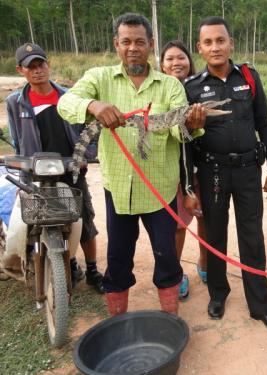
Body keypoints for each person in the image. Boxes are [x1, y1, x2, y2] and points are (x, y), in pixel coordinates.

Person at [57, 13, 205, 316]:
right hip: (119, 190)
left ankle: (170, 317)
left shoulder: (169, 86)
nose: (133, 47)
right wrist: (92, 105)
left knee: (166, 257)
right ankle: (117, 319)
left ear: (151, 45)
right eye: (126, 41)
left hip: (160, 190)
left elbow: (179, 130)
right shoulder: (99, 78)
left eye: (140, 41)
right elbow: (65, 103)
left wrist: (192, 122)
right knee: (119, 257)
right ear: (117, 44)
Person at [184, 16, 267, 333]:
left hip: (247, 170)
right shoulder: (191, 88)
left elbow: (264, 123)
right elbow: (185, 142)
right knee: (214, 234)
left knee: (252, 237)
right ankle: (218, 294)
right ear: (200, 48)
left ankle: (261, 306)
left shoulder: (249, 78)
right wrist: (189, 185)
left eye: (221, 40)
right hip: (212, 172)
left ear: (231, 43)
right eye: (208, 42)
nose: (215, 47)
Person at [6, 42, 104, 294]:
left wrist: (87, 155)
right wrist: (22, 170)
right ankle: (68, 263)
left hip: (70, 168)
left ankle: (92, 270)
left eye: (41, 64)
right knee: (45, 219)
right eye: (31, 67)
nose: (38, 70)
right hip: (38, 172)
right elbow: (17, 141)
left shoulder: (69, 96)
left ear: (48, 65)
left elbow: (89, 130)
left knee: (84, 220)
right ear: (21, 70)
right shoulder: (15, 102)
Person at [160, 40, 208, 300]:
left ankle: (205, 263)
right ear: (161, 65)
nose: (176, 63)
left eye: (181, 58)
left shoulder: (200, 88)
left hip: (204, 165)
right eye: (170, 59)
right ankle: (176, 272)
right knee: (178, 223)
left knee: (205, 218)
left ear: (190, 61)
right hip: (174, 168)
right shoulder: (158, 93)